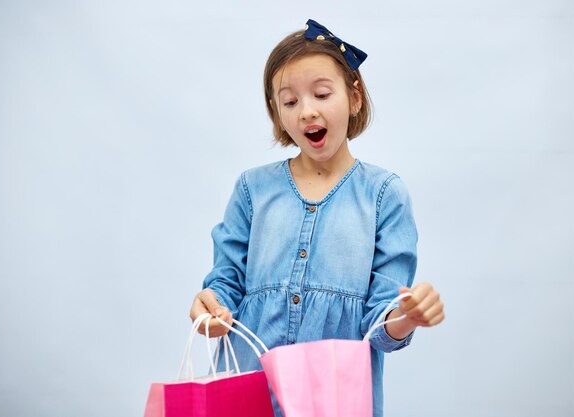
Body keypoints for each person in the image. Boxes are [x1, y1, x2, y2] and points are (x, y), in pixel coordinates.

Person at [189, 19, 445, 417]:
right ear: (278, 113)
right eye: (290, 102)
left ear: (354, 98)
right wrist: (211, 309)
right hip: (243, 392)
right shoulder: (251, 189)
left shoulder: (384, 195)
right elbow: (224, 285)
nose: (307, 111)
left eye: (322, 94)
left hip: (333, 402)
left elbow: (381, 326)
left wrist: (406, 316)